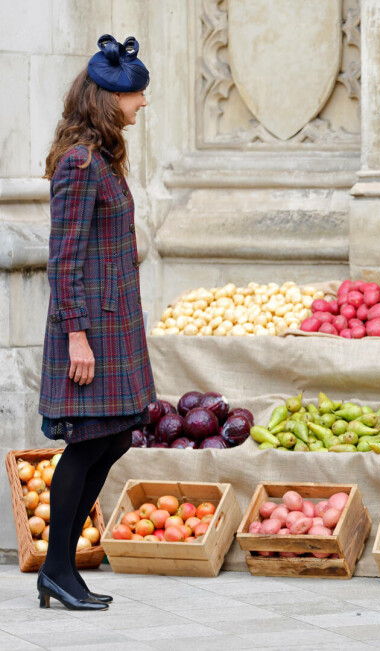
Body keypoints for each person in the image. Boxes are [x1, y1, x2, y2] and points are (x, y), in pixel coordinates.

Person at [37, 34, 154, 611]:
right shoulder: (81, 163)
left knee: (113, 439)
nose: (142, 104)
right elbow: (63, 257)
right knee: (86, 446)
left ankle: (60, 570)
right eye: (136, 95)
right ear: (109, 99)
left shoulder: (103, 157)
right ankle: (58, 569)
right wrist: (75, 334)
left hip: (115, 324)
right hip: (91, 331)